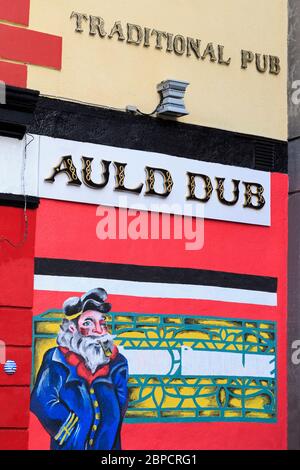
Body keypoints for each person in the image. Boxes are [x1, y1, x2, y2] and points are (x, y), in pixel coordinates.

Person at [31, 288, 128, 450]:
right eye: (88, 323)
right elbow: (41, 401)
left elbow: (121, 403)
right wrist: (72, 429)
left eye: (102, 322)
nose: (98, 330)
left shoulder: (117, 362)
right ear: (72, 328)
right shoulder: (56, 358)